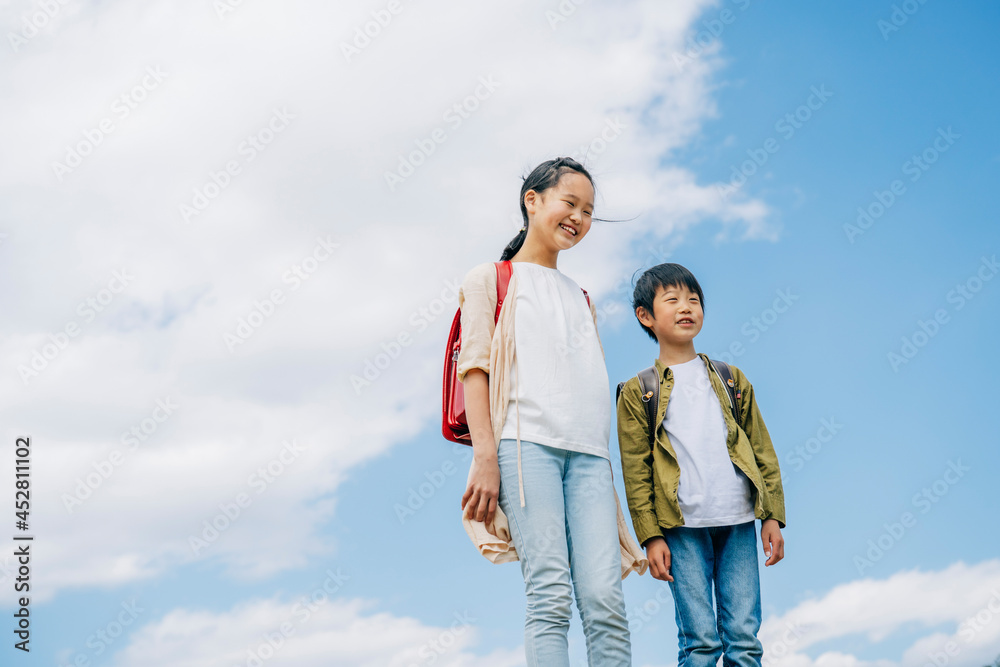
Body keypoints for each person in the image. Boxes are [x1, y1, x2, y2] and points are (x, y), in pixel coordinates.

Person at [457, 157, 644, 667]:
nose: (579, 218)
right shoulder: (489, 279)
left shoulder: (581, 295)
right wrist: (485, 457)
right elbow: (474, 369)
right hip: (525, 448)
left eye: (588, 211)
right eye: (570, 203)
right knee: (550, 595)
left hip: (588, 457)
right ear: (532, 200)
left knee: (606, 601)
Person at [616, 262, 787, 666]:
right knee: (700, 643)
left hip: (739, 521)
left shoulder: (731, 379)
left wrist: (772, 516)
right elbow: (636, 472)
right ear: (646, 316)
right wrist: (650, 536)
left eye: (693, 299)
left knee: (744, 640)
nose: (686, 306)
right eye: (671, 299)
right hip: (681, 528)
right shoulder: (639, 391)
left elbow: (762, 449)